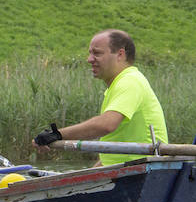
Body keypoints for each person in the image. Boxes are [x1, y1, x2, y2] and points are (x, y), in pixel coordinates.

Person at [34, 29, 168, 166]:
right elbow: (113, 154)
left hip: (147, 170)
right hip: (128, 169)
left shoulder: (130, 82)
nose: (89, 59)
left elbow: (106, 124)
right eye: (90, 53)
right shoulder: (119, 84)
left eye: (97, 53)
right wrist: (86, 177)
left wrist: (57, 135)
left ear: (120, 54)